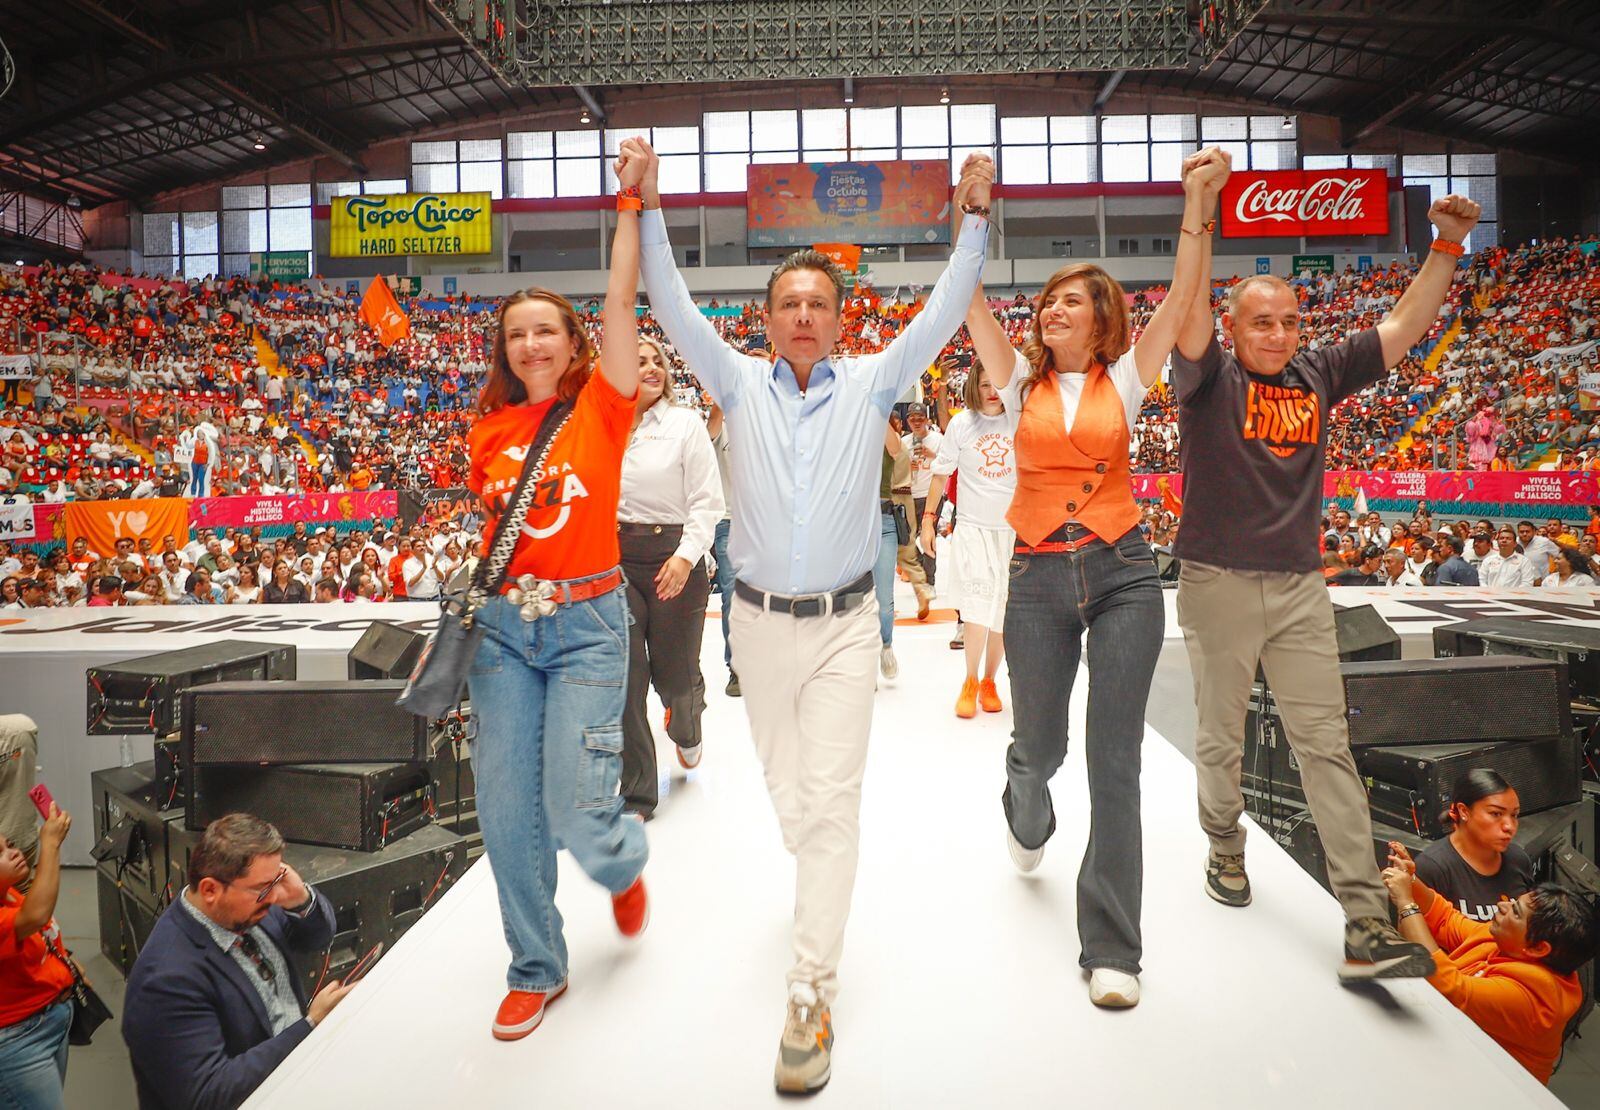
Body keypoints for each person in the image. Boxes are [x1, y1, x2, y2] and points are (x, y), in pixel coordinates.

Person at [639, 139, 993, 1093]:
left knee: (830, 809)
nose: (803, 316)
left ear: (840, 321)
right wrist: (652, 207)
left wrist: (975, 220)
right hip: (753, 627)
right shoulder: (734, 381)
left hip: (843, 625)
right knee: (791, 798)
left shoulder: (877, 377)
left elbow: (946, 310)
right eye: (788, 304)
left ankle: (809, 992)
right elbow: (666, 302)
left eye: (818, 305)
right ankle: (816, 867)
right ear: (765, 320)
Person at [1172, 189, 1486, 980]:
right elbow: (1186, 309)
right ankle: (1225, 846)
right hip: (1217, 584)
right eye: (1260, 322)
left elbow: (1405, 326)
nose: (1277, 335)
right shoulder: (1205, 379)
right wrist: (1199, 209)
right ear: (1233, 327)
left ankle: (1363, 920)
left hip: (1302, 589)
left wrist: (1445, 245)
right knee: (1218, 737)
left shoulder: (1319, 372)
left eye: (1287, 322)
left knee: (1328, 749)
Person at [959, 147, 1226, 1009]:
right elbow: (965, 302)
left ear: (1102, 318)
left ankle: (1112, 948)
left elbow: (1185, 297)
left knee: (1115, 760)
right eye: (1045, 299)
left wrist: (1196, 205)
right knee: (1042, 748)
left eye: (1070, 299)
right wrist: (971, 215)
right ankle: (1023, 803)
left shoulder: (1128, 378)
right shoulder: (1012, 380)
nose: (1050, 308)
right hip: (1035, 577)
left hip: (1122, 575)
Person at [462, 137, 651, 1044]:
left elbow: (623, 298)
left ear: (575, 341)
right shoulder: (488, 429)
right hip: (503, 632)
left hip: (587, 621)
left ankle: (619, 863)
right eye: (516, 333)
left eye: (548, 328)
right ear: (504, 349)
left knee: (577, 807)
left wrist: (629, 206)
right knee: (504, 808)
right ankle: (536, 967)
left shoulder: (606, 404)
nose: (532, 342)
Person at [121, 814, 352, 1110]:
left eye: (277, 880)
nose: (274, 897)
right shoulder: (166, 980)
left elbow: (316, 937)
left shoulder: (245, 908)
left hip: (291, 1075)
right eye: (263, 888)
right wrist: (310, 1027)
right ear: (210, 890)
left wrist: (299, 898)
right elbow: (208, 1096)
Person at [1383, 842, 1599, 1084]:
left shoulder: (1537, 999)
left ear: (1539, 948)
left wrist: (1406, 904)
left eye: (1515, 911)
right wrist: (1411, 881)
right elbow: (1446, 919)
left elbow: (1451, 988)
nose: (1502, 905)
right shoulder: (1508, 941)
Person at [616, 336, 723, 820]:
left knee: (674, 678)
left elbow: (707, 501)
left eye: (656, 360)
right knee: (627, 677)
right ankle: (638, 793)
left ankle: (687, 726)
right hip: (616, 560)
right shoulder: (604, 426)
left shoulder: (685, 424)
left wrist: (684, 558)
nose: (651, 367)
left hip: (674, 555)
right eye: (639, 361)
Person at [918, 352, 1016, 718]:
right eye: (984, 384)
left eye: (997, 384)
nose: (991, 392)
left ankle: (991, 680)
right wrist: (928, 519)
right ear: (974, 386)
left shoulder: (1019, 420)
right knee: (975, 610)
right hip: (973, 529)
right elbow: (940, 475)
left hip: (1011, 531)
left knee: (1003, 613)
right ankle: (970, 680)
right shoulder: (962, 425)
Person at [0, 804, 73, 1110]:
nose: (13, 853)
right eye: (0, 854)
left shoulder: (9, 894)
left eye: (9, 846)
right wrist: (51, 844)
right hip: (20, 1042)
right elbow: (38, 912)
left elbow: (40, 928)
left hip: (47, 1022)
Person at [1414, 770, 1534, 923]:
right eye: (1496, 814)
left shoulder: (1518, 859)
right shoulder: (1432, 868)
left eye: (1514, 815)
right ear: (1464, 811)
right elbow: (1415, 938)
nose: (1509, 826)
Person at [705, 402, 740, 695]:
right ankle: (737, 668)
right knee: (731, 596)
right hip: (728, 522)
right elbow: (712, 423)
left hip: (765, 525)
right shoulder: (721, 425)